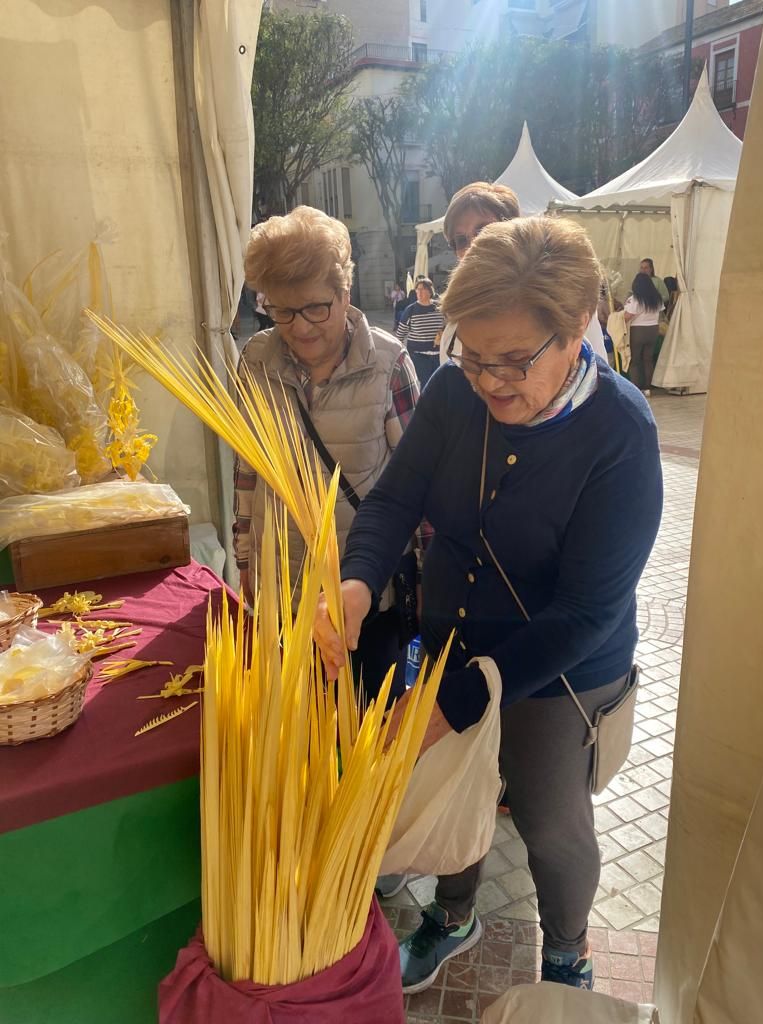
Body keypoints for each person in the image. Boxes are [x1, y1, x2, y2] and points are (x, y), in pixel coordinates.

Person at [315, 216, 663, 994]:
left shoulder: (620, 433)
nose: (489, 380)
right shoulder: (452, 392)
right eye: (471, 356)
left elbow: (586, 612)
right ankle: (455, 913)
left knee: (547, 818)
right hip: (447, 633)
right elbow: (395, 499)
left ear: (578, 325)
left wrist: (464, 695)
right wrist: (357, 584)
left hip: (559, 666)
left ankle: (568, 952)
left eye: (513, 360)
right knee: (451, 788)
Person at [234, 205, 423, 703]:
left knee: (368, 729)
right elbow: (247, 470)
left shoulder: (389, 363)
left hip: (363, 597)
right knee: (298, 727)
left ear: (345, 293)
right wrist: (247, 561)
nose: (299, 327)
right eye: (281, 310)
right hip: (285, 590)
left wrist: (425, 582)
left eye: (316, 307)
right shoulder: (256, 361)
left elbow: (419, 483)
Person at [438, 182, 608, 363]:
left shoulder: (560, 297)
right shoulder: (456, 317)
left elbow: (595, 373)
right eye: (461, 240)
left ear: (514, 230)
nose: (473, 245)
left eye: (483, 230)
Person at [396, 278, 444, 390]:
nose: (419, 292)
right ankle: (426, 407)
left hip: (438, 355)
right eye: (418, 290)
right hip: (419, 356)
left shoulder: (440, 308)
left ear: (430, 291)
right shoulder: (411, 310)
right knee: (425, 386)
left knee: (439, 385)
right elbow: (400, 335)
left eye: (423, 289)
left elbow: (447, 325)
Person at [624, 272, 664, 397]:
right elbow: (661, 313)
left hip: (638, 331)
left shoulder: (634, 299)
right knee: (648, 360)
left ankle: (636, 388)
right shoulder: (657, 298)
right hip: (653, 330)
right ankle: (647, 388)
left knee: (635, 360)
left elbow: (627, 317)